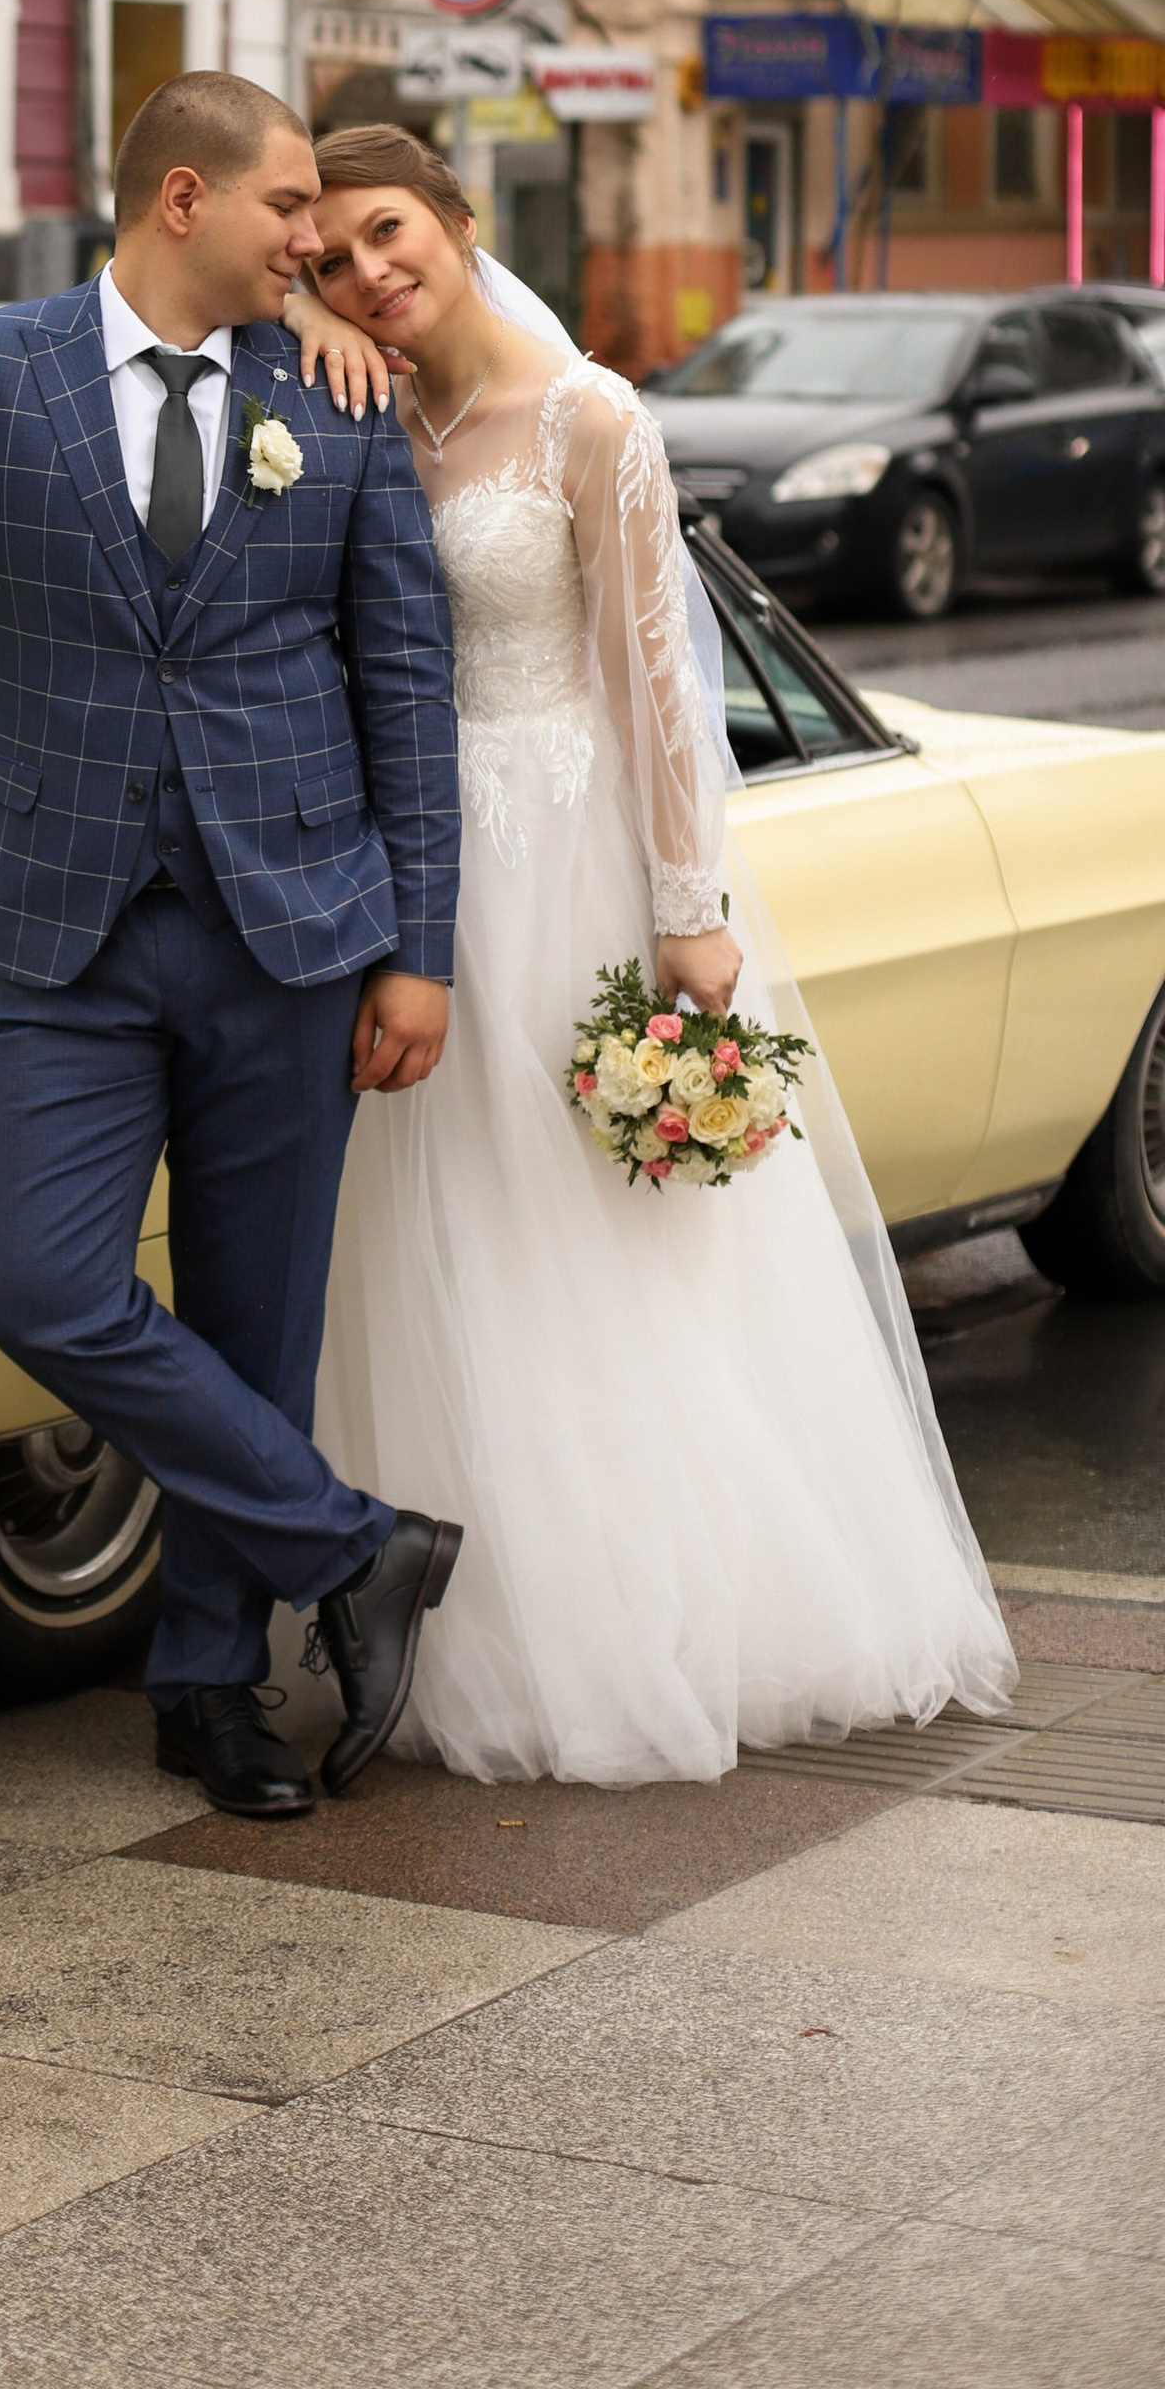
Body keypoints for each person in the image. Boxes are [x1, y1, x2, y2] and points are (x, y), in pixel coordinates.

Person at [0, 75, 465, 1816]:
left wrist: (418, 943)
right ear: (184, 200)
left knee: (256, 1324)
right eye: (294, 209)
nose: (320, 242)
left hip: (292, 929)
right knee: (46, 1287)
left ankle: (211, 1690)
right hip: (58, 926)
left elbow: (405, 686)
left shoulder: (336, 391)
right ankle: (358, 1550)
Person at [282, 126, 1015, 1781]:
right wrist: (303, 331)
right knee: (439, 1229)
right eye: (328, 258)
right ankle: (448, 1594)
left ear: (458, 221)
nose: (365, 271)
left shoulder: (592, 417)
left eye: (386, 232)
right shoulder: (359, 411)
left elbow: (658, 682)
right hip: (415, 876)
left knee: (584, 1240)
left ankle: (628, 1621)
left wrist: (691, 909)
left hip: (565, 868)